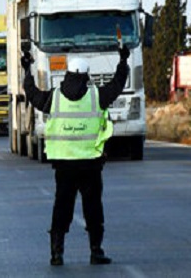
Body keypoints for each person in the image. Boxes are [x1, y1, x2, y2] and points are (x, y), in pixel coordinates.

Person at [22, 45, 129, 267]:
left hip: (64, 165)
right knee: (93, 208)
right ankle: (96, 251)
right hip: (90, 163)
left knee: (62, 207)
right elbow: (117, 85)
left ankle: (56, 254)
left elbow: (32, 94)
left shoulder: (55, 98)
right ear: (86, 76)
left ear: (68, 75)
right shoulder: (96, 96)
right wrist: (122, 61)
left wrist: (27, 70)